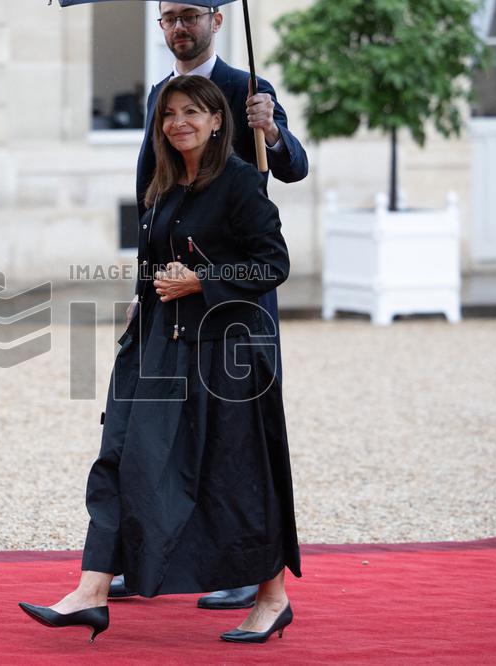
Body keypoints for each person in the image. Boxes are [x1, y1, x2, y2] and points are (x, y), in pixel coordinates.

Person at [19, 75, 300, 645]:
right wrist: (142, 299)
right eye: (170, 114)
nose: (179, 123)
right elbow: (155, 268)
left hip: (225, 356)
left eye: (193, 112)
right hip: (156, 346)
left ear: (219, 120)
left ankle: (272, 596)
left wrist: (204, 280)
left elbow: (273, 265)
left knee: (233, 475)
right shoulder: (163, 188)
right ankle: (92, 589)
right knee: (121, 455)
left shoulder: (243, 184)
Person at [108, 0, 310, 611]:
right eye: (169, 17)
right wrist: (141, 293)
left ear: (217, 21)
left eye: (192, 14)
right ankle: (146, 560)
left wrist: (270, 130)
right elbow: (153, 202)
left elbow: (294, 169)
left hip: (233, 299)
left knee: (232, 443)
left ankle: (248, 571)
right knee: (151, 436)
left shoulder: (248, 90)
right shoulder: (157, 98)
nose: (180, 26)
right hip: (169, 302)